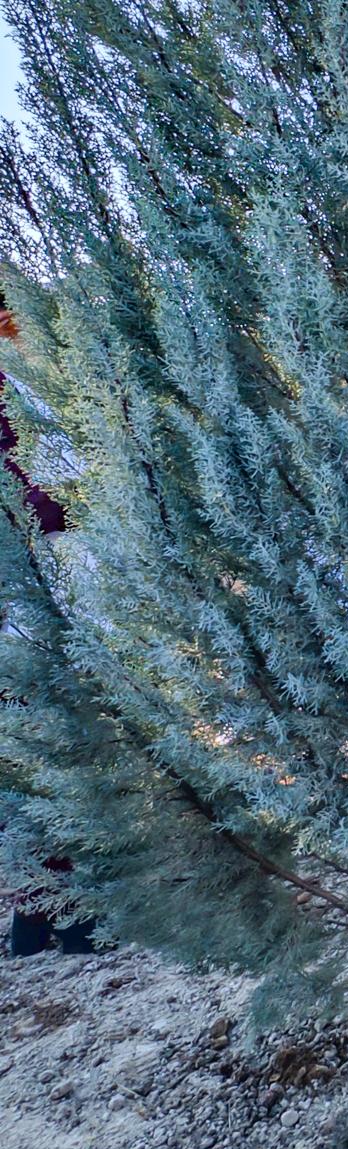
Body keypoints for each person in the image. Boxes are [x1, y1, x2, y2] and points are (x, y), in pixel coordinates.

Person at [2, 301, 92, 958]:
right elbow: (59, 498)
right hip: (33, 598)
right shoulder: (22, 400)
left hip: (37, 591)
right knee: (49, 741)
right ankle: (61, 914)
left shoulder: (24, 397)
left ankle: (39, 917)